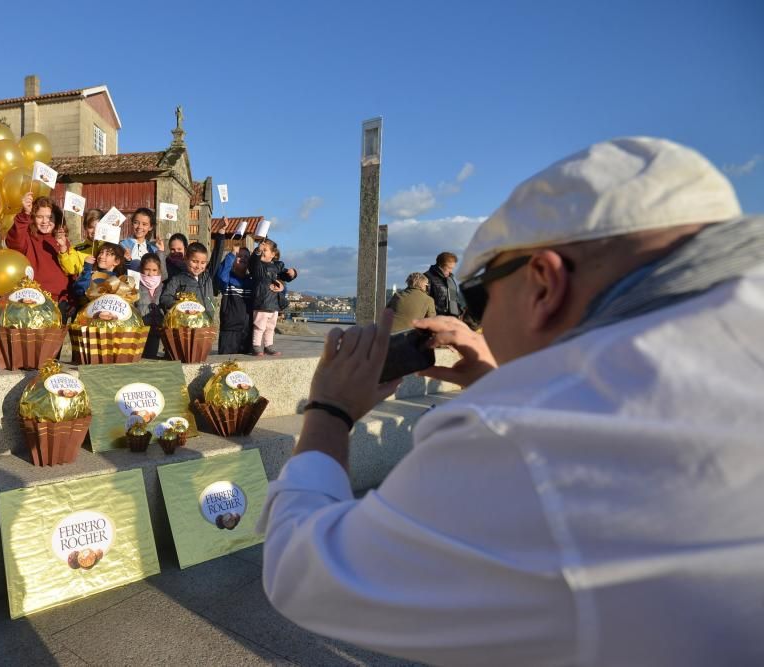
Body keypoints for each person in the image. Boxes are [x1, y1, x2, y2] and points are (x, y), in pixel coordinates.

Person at [258, 137, 764, 666]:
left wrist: (329, 410)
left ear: (543, 283)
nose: (477, 319)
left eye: (479, 297)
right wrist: (504, 381)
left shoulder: (528, 435)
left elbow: (305, 574)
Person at [6, 192, 70, 314]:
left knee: (55, 334)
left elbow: (71, 271)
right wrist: (25, 213)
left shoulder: (62, 240)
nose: (45, 221)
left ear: (56, 219)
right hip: (35, 300)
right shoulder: (28, 238)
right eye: (40, 217)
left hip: (60, 301)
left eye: (49, 217)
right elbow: (14, 242)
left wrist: (71, 299)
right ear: (33, 218)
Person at [249, 239, 294, 356]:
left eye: (265, 250)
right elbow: (253, 260)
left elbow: (286, 275)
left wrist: (293, 273)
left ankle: (268, 345)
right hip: (261, 301)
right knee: (259, 326)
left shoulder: (276, 266)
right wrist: (258, 251)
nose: (263, 252)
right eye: (261, 250)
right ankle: (256, 346)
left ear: (273, 254)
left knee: (271, 327)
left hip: (273, 303)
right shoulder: (257, 265)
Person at [160, 235, 224, 317]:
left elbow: (217, 256)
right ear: (186, 259)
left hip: (206, 322)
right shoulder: (177, 279)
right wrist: (181, 306)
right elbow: (165, 298)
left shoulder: (207, 276)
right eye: (194, 261)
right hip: (186, 324)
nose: (198, 266)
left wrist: (221, 234)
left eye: (203, 263)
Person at [215, 246, 254, 354]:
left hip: (248, 330)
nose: (243, 258)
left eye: (246, 257)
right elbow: (221, 277)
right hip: (229, 330)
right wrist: (231, 254)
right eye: (239, 256)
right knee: (226, 365)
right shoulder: (227, 279)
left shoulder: (252, 281)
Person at [58, 208, 104, 278]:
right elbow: (70, 269)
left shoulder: (109, 246)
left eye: (98, 227)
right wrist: (63, 248)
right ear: (85, 227)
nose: (95, 231)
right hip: (87, 287)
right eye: (91, 227)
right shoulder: (78, 249)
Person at [136, 252, 165, 358]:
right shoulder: (136, 284)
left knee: (151, 357)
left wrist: (161, 252)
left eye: (154, 270)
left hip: (156, 329)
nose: (150, 273)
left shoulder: (162, 285)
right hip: (140, 329)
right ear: (141, 269)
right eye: (147, 269)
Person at [120, 208, 162, 272]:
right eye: (136, 223)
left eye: (144, 224)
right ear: (132, 223)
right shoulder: (123, 245)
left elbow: (159, 271)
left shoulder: (153, 248)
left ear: (150, 227)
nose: (140, 227)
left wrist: (161, 252)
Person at [424, 251, 462, 317]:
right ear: (440, 265)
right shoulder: (427, 277)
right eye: (449, 268)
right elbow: (424, 301)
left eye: (452, 268)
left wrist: (460, 311)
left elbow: (454, 298)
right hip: (436, 319)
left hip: (452, 318)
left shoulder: (450, 279)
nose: (451, 271)